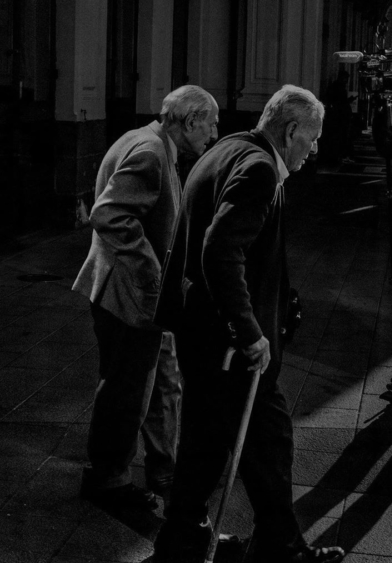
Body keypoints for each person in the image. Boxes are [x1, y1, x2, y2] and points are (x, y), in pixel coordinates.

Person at [152, 85, 345, 563]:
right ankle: (278, 548)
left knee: (208, 441)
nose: (315, 148)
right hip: (226, 342)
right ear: (292, 130)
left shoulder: (228, 148)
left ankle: (184, 540)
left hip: (201, 329)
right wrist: (249, 331)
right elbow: (220, 250)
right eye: (313, 138)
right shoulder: (259, 169)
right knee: (268, 438)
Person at [72, 85, 219, 509]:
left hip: (138, 297)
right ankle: (109, 480)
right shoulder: (152, 153)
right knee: (127, 390)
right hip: (128, 296)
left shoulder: (144, 139)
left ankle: (163, 470)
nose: (212, 134)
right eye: (210, 125)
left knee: (163, 383)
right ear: (190, 122)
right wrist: (152, 272)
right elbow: (109, 213)